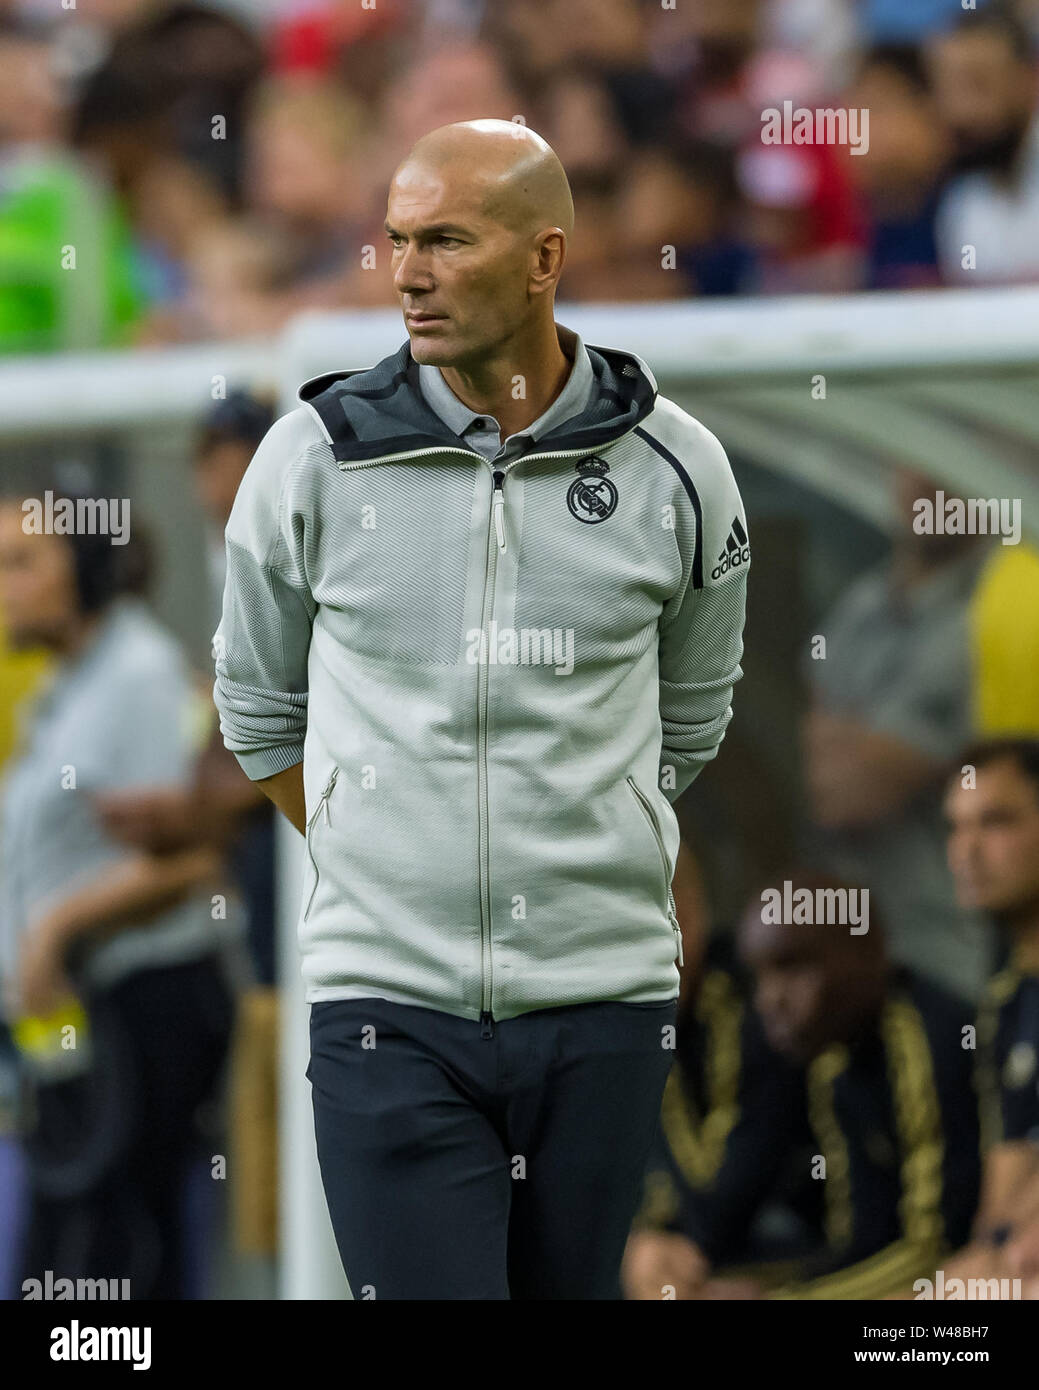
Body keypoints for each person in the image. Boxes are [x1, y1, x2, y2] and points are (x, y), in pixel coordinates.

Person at [212, 118, 749, 1300]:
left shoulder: (679, 468)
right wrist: (387, 856)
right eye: (397, 240)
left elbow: (691, 720)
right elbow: (257, 714)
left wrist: (570, 842)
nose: (407, 273)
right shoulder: (309, 461)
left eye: (446, 240)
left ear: (544, 257)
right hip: (382, 1008)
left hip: (604, 1001)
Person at [0, 488, 236, 1299]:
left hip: (147, 1002)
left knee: (120, 1252)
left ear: (91, 568)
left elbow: (197, 856)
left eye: (23, 562)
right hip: (80, 1016)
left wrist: (58, 929)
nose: (2, 584)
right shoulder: (68, 684)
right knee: (66, 1244)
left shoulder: (135, 672)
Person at [625, 873, 981, 1300]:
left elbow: (933, 1250)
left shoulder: (922, 1036)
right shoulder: (831, 1062)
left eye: (793, 969)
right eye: (761, 976)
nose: (768, 1000)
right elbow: (860, 1240)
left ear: (867, 952)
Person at [926, 740, 1039, 1296]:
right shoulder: (1004, 1004)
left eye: (994, 822)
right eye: (955, 827)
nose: (966, 851)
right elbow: (998, 1222)